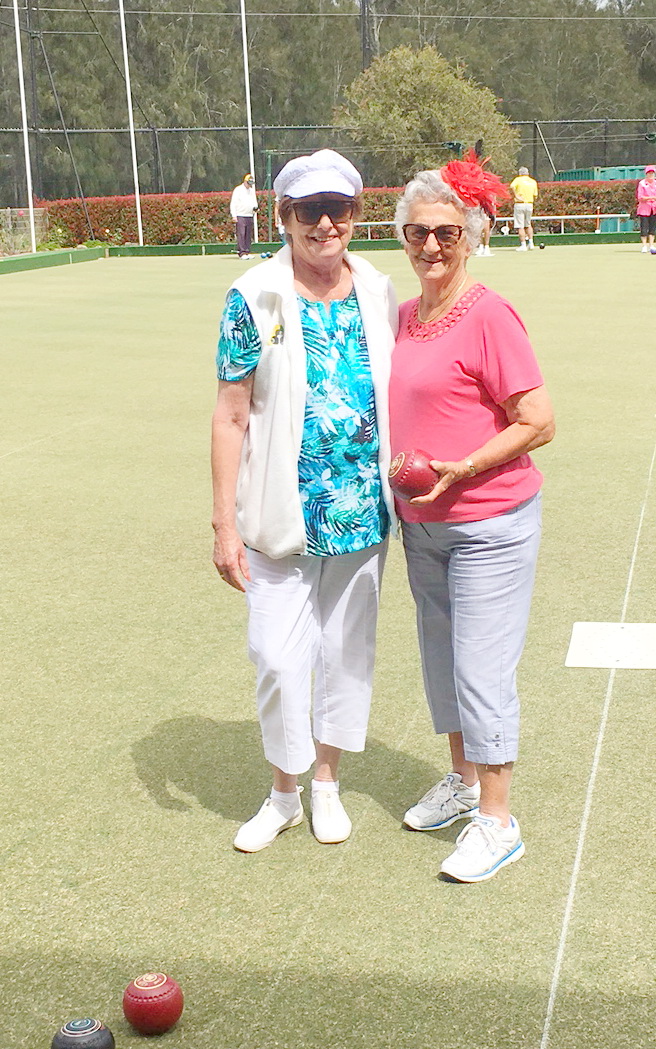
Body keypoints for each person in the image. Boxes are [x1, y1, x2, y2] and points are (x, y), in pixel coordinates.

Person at [212, 149, 398, 853]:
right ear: (284, 217)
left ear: (354, 214)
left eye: (339, 209)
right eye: (308, 211)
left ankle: (325, 783)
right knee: (277, 656)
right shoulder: (253, 295)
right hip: (276, 515)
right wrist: (223, 519)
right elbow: (230, 415)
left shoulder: (378, 290)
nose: (325, 224)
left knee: (346, 654)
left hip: (361, 513)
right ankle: (283, 792)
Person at [390, 153, 555, 883]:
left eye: (448, 234)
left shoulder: (489, 313)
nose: (431, 247)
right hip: (421, 526)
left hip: (491, 521)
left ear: (474, 236)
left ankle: (497, 818)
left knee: (481, 667)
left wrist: (466, 466)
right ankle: (460, 781)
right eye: (418, 232)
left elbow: (540, 420)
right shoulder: (401, 316)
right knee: (440, 662)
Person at [230, 173, 258, 259]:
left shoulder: (251, 191)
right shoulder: (238, 190)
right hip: (240, 215)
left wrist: (255, 208)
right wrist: (234, 215)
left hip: (249, 215)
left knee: (248, 235)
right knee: (241, 234)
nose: (250, 185)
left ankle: (247, 251)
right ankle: (241, 253)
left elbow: (254, 201)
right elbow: (233, 203)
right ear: (245, 181)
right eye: (249, 183)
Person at [510, 166, 538, 251]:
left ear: (520, 173)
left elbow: (512, 187)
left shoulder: (518, 180)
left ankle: (523, 245)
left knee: (520, 226)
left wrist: (516, 195)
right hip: (529, 204)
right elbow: (535, 196)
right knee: (528, 224)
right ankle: (531, 243)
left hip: (520, 204)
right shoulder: (533, 181)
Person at [636, 165, 656, 253]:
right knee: (644, 227)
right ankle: (644, 246)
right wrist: (651, 198)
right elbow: (640, 197)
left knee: (652, 228)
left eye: (652, 173)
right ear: (646, 174)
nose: (651, 175)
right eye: (649, 173)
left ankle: (652, 245)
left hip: (654, 209)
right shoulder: (642, 183)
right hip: (644, 209)